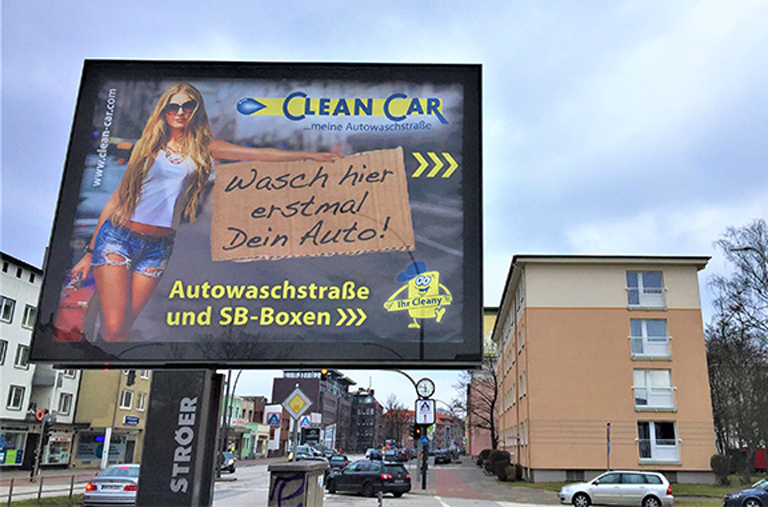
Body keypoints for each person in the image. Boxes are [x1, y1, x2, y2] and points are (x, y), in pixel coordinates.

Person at [70, 83, 337, 342]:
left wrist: (308, 156)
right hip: (118, 238)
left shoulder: (203, 146)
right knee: (115, 329)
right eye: (173, 106)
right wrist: (90, 253)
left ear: (196, 111)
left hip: (158, 247)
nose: (180, 111)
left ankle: (103, 357)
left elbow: (256, 154)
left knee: (122, 328)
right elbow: (117, 200)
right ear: (163, 110)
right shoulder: (147, 146)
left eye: (188, 106)